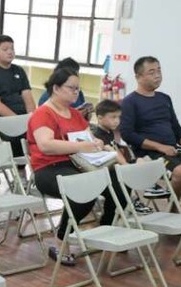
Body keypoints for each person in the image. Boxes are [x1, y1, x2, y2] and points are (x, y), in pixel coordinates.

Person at [28, 68, 127, 266]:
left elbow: (88, 139)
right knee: (84, 188)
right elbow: (46, 145)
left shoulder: (74, 114)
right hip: (49, 169)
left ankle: (106, 230)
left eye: (77, 88)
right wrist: (82, 146)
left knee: (120, 181)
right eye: (71, 88)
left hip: (79, 164)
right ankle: (61, 241)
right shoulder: (43, 114)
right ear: (56, 88)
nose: (76, 92)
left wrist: (97, 144)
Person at [120, 56, 181, 207]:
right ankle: (174, 211)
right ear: (138, 77)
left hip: (172, 150)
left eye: (159, 70)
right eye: (151, 72)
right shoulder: (130, 102)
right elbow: (127, 134)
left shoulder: (164, 98)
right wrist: (160, 147)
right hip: (150, 154)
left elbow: (176, 127)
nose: (157, 75)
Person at [0, 35, 36, 158]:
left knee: (41, 130)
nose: (10, 52)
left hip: (21, 118)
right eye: (5, 49)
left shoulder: (19, 71)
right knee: (19, 134)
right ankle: (20, 170)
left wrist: (33, 119)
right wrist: (18, 120)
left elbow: (28, 98)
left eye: (12, 48)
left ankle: (38, 168)